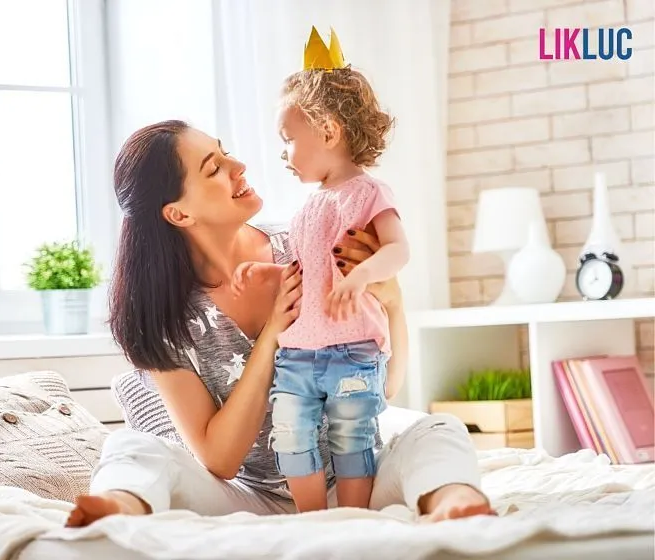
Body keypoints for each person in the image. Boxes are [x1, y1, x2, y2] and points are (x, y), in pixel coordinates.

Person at [64, 119, 492, 528]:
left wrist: (391, 299)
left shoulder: (309, 242)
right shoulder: (162, 318)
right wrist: (274, 332)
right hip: (250, 501)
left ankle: (455, 503)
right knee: (132, 446)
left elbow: (385, 384)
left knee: (437, 428)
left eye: (225, 152)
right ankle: (116, 510)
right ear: (178, 214)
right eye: (214, 168)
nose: (239, 167)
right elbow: (219, 458)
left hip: (355, 482)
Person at [230, 28, 408, 512]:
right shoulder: (308, 207)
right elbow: (304, 269)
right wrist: (263, 275)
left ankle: (350, 519)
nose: (283, 155)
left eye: (288, 141)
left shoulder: (370, 194)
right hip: (298, 354)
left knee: (353, 439)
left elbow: (398, 252)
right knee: (290, 437)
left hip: (352, 353)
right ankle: (312, 520)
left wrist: (362, 275)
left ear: (328, 131)